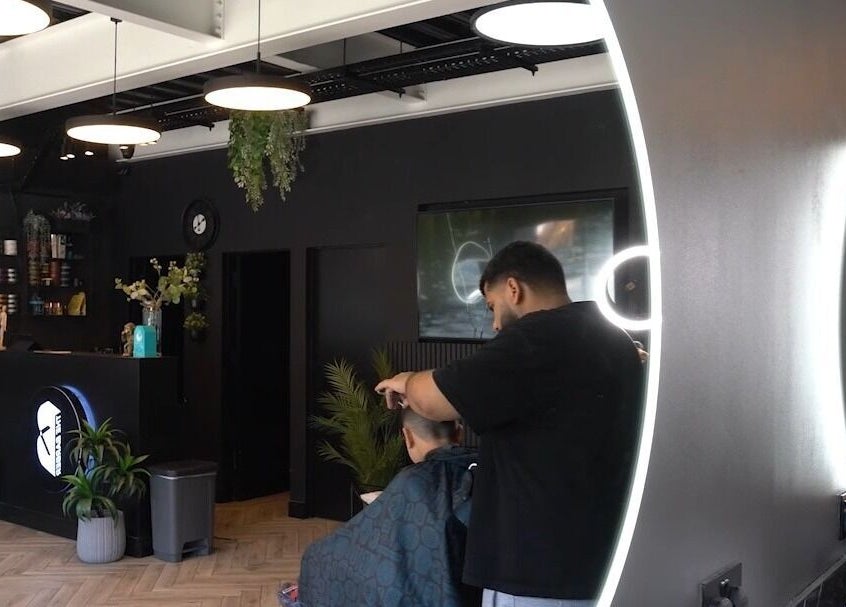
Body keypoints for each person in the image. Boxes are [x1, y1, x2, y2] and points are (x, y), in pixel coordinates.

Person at [375, 241, 645, 607]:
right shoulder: (614, 339)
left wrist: (405, 381)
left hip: (538, 570)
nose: (495, 323)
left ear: (513, 289)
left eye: (492, 306)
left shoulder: (536, 339)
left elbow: (436, 399)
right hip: (599, 558)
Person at [295, 408, 480, 607]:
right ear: (459, 432)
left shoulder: (413, 479)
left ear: (407, 436)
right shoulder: (487, 470)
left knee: (316, 557)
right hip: (482, 582)